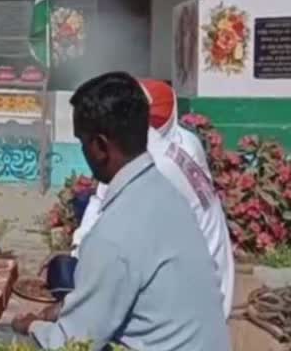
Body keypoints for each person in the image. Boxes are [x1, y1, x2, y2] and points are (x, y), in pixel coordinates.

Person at [13, 72, 230, 350]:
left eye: (83, 143)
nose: (83, 152)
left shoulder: (114, 235)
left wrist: (31, 326)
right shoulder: (165, 192)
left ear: (101, 147)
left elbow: (73, 344)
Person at [72, 78, 235, 319]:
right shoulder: (184, 143)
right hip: (209, 284)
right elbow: (101, 197)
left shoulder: (154, 166)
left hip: (196, 302)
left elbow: (111, 246)